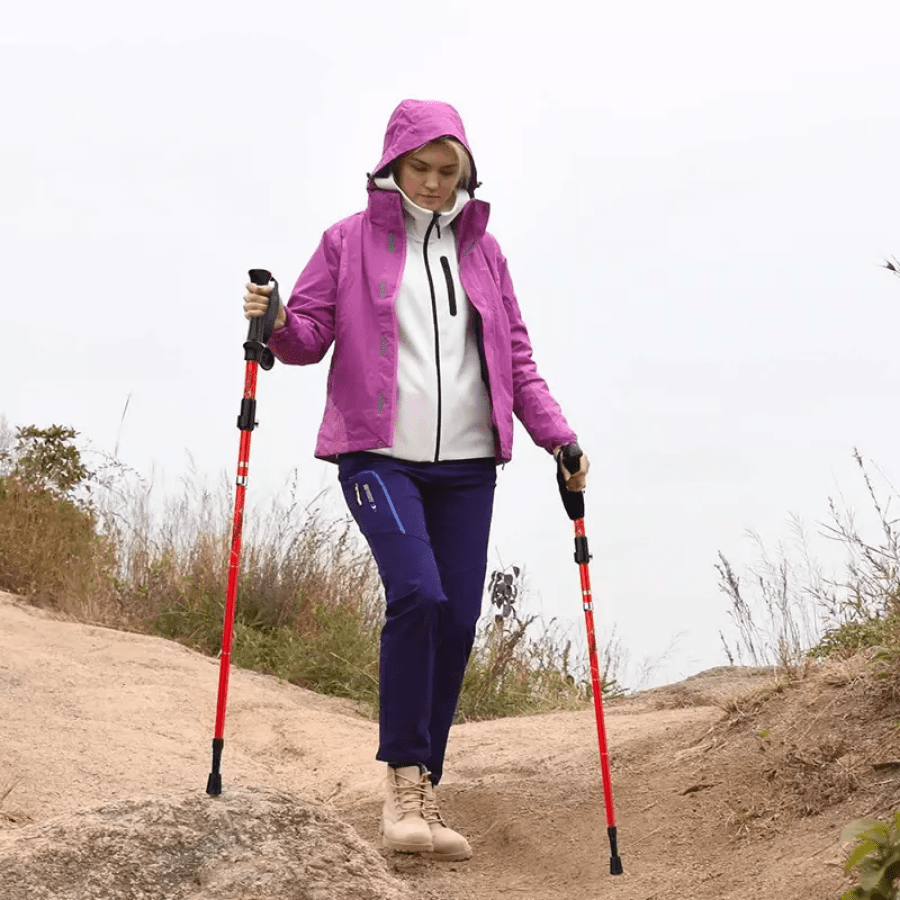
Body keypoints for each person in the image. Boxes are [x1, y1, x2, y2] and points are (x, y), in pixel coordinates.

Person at [243, 99, 589, 861]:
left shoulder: (485, 255)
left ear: (465, 173)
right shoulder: (348, 240)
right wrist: (270, 323)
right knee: (418, 594)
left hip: (468, 466)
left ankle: (426, 787)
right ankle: (401, 784)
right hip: (377, 455)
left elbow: (517, 362)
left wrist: (558, 437)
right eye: (420, 169)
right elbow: (308, 336)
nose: (432, 184)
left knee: (458, 621)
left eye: (446, 172)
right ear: (392, 165)